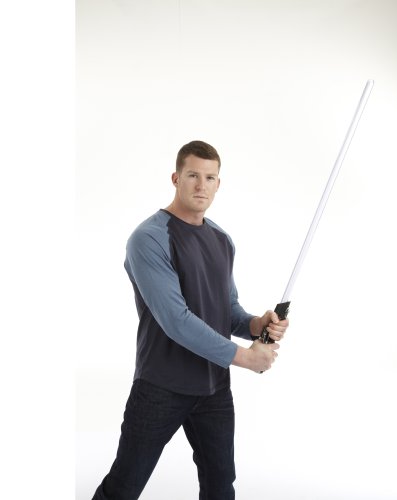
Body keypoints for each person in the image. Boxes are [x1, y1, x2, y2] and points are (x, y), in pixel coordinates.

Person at [92, 140, 289, 500]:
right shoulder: (149, 238)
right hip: (160, 388)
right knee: (123, 487)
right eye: (193, 176)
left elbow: (227, 310)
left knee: (220, 486)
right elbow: (176, 320)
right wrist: (246, 357)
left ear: (218, 183)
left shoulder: (222, 239)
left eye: (210, 178)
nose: (201, 185)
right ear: (176, 178)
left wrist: (256, 325)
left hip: (214, 389)